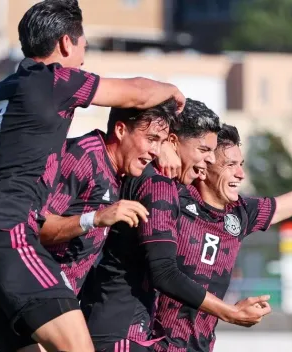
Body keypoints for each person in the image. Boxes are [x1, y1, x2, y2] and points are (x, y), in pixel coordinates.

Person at [0, 1, 186, 351]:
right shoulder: (53, 81)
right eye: (84, 48)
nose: (83, 59)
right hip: (10, 237)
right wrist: (172, 93)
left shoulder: (5, 88)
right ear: (66, 43)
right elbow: (137, 92)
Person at [152, 124, 292, 352]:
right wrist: (164, 147)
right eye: (230, 165)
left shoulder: (241, 212)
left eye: (241, 165)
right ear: (204, 167)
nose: (241, 174)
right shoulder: (170, 199)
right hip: (152, 345)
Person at [0, 100, 177, 352]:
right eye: (150, 139)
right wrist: (94, 218)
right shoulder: (84, 156)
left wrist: (167, 146)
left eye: (161, 141)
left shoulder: (119, 168)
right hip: (23, 300)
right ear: (121, 130)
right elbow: (31, 228)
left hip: (50, 308)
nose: (155, 150)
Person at [81, 100, 271, 352]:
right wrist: (229, 312)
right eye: (204, 149)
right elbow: (165, 274)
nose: (209, 160)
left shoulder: (144, 176)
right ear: (173, 141)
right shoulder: (158, 185)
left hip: (116, 323)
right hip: (122, 332)